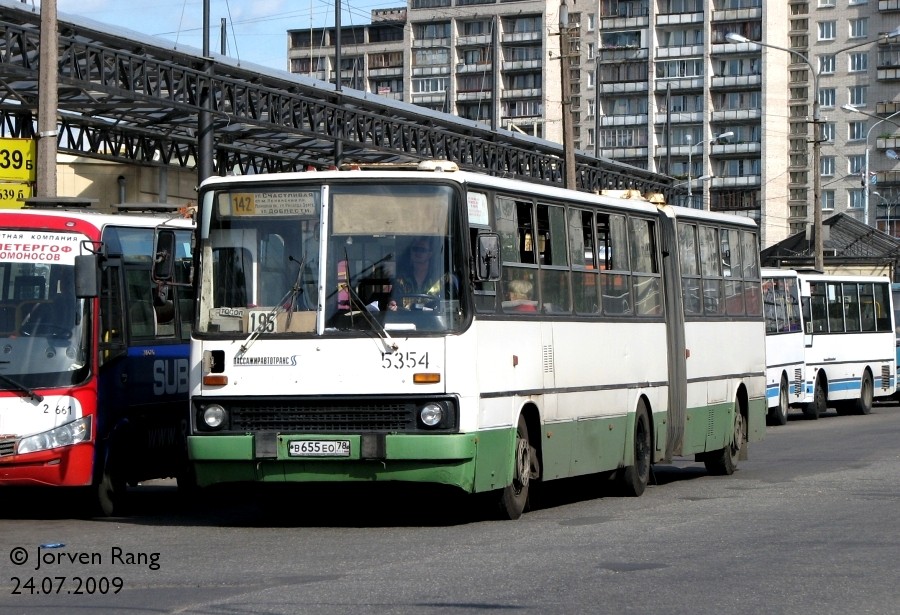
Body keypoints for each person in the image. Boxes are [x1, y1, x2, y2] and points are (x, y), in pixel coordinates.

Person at [392, 237, 446, 308]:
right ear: (411, 252)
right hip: (406, 318)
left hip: (433, 318)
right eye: (415, 249)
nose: (418, 253)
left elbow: (448, 305)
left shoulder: (440, 279)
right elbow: (396, 301)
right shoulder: (401, 279)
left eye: (422, 250)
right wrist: (393, 305)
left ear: (430, 254)